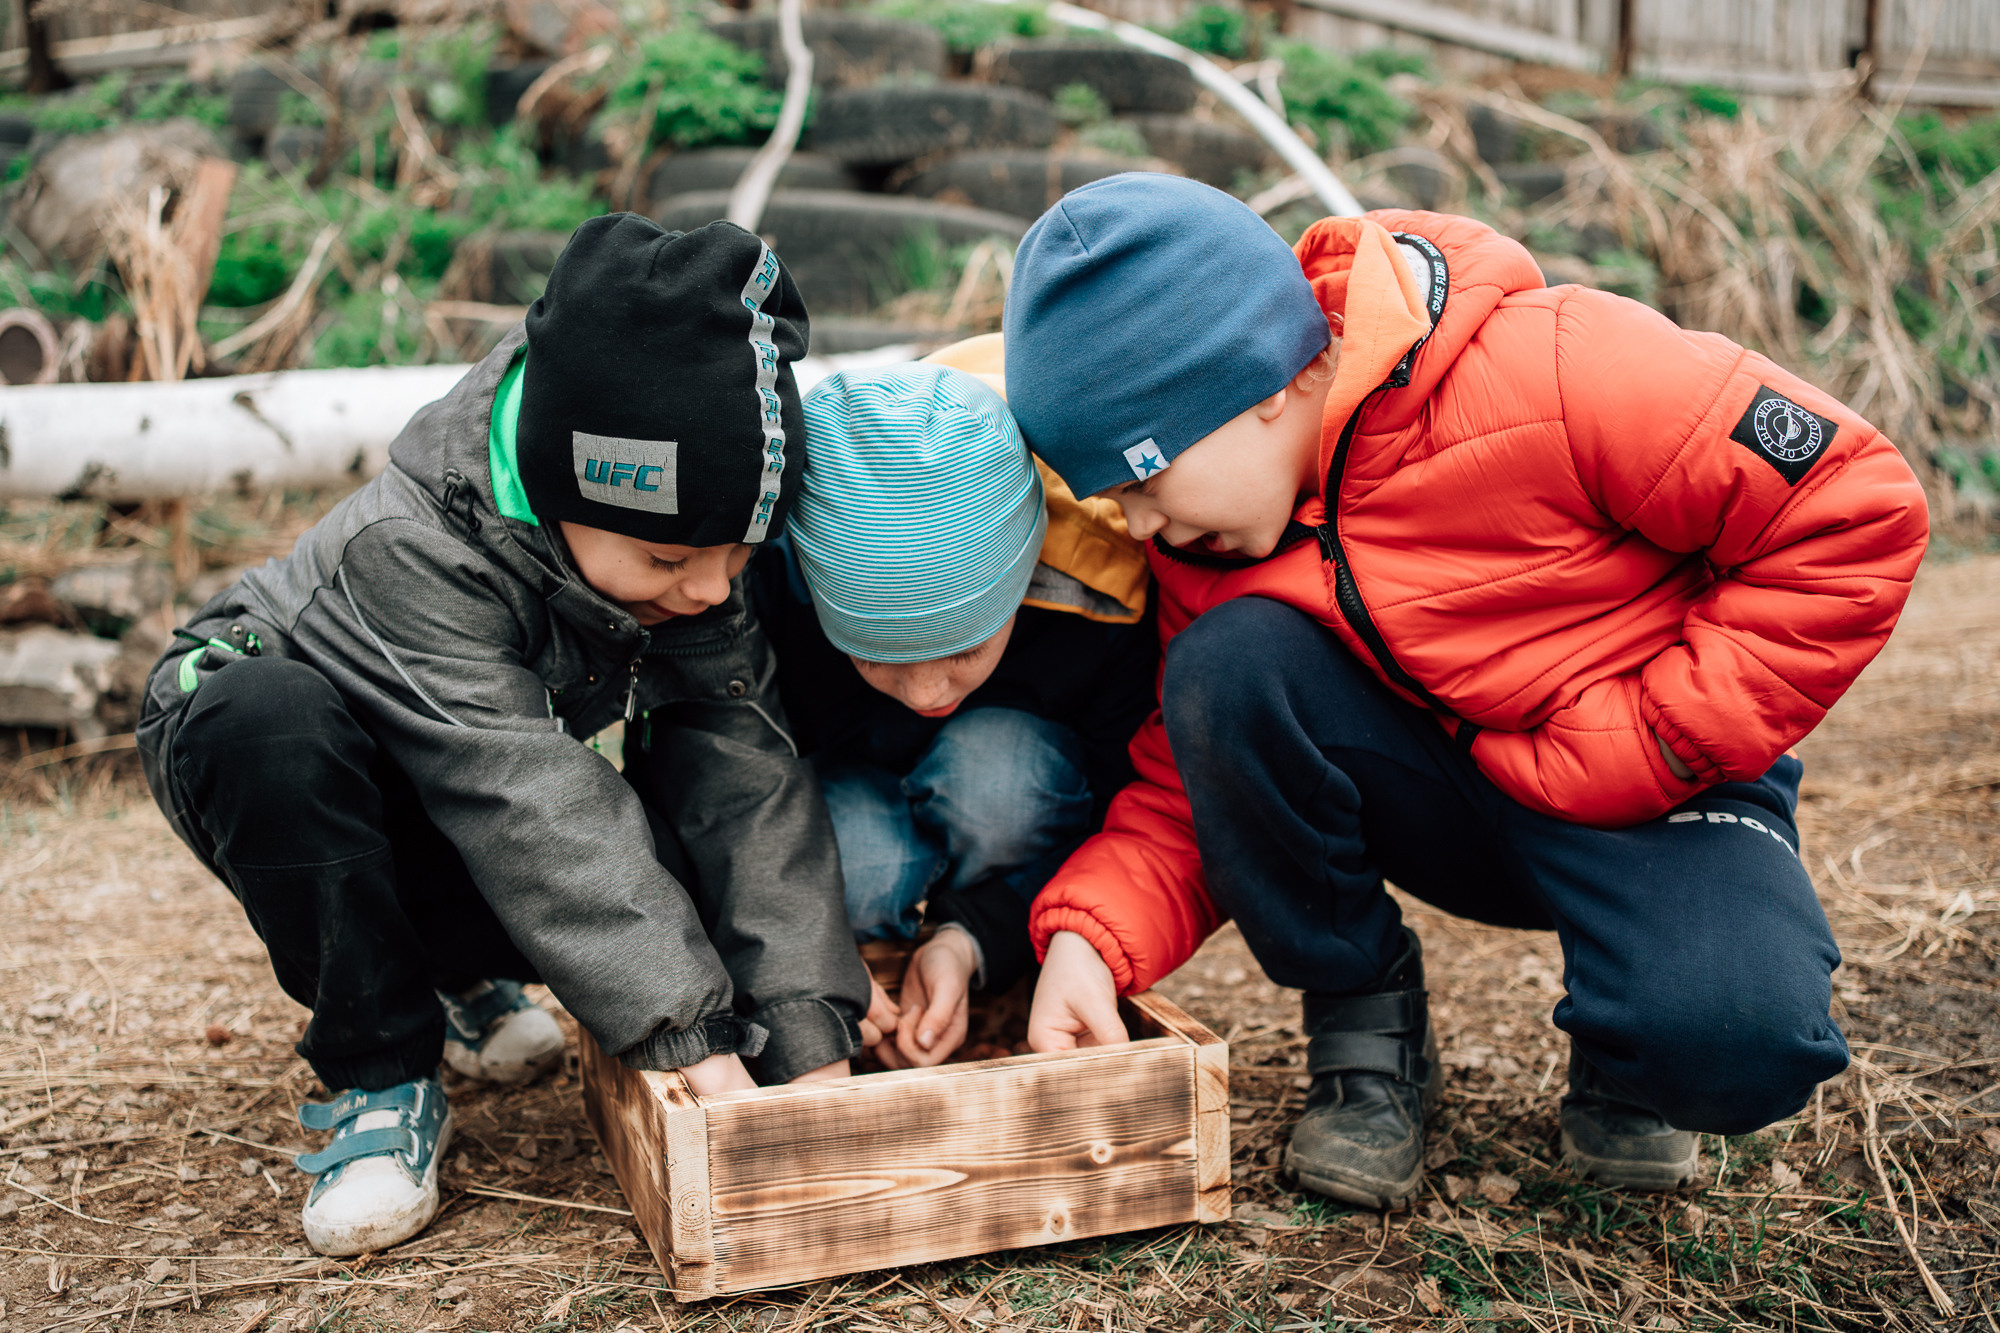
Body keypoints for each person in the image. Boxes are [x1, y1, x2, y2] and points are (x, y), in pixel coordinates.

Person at [1003, 174, 1930, 1207]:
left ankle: (1631, 1049)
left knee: (1731, 1042)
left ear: (1256, 386)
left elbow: (1851, 505)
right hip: (1448, 794)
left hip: (1651, 784)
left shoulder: (1560, 364)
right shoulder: (1212, 546)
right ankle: (1363, 1027)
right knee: (1228, 665)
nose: (1136, 528)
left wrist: (1648, 741)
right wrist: (1093, 939)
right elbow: (1188, 781)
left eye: (1140, 481)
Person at [136, 215, 887, 1256]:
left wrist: (807, 1037)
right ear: (567, 493)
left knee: (662, 844)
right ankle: (378, 1076)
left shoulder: (690, 551)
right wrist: (684, 1034)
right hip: (268, 749)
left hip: (458, 786)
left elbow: (747, 782)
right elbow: (526, 799)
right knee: (273, 729)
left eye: (738, 554)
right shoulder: (409, 547)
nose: (712, 588)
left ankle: (453, 977)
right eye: (671, 561)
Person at [749, 343, 1156, 1067]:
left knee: (1001, 772)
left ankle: (1004, 962)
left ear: (1024, 574)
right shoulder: (774, 584)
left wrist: (974, 937)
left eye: (965, 650)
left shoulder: (1099, 595)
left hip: (1017, 860)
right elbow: (744, 786)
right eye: (878, 657)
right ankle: (881, 955)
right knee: (861, 851)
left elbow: (1123, 806)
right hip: (860, 809)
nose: (929, 692)